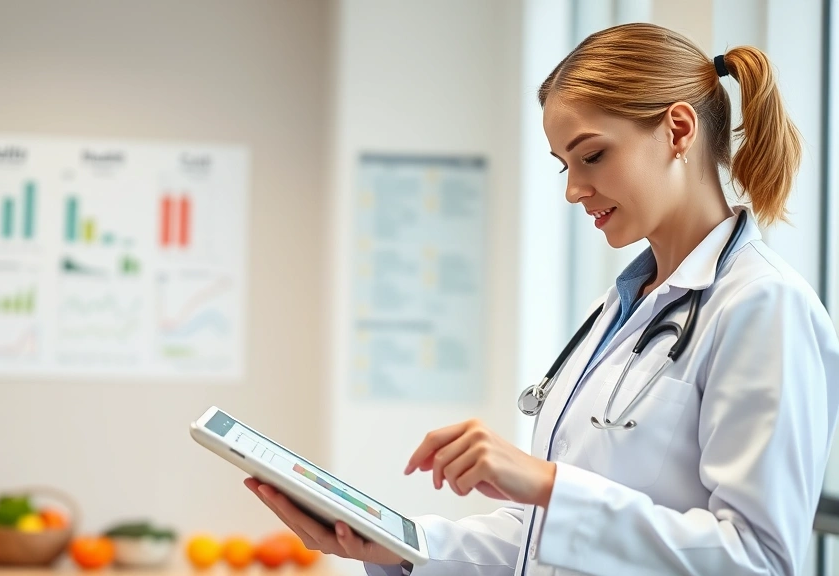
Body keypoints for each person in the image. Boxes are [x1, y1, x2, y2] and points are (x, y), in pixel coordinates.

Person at [245, 22, 839, 575]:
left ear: (678, 130)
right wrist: (404, 545)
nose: (575, 190)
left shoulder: (764, 307)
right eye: (564, 167)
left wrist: (549, 485)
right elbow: (542, 536)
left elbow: (756, 557)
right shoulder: (617, 311)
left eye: (593, 155)